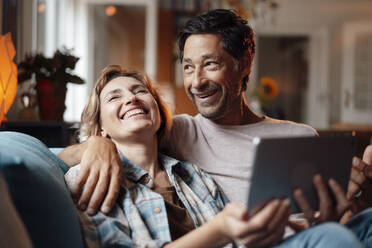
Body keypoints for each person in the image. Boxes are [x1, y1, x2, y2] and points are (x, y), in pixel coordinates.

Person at [59, 9, 372, 246]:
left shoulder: (192, 174)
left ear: (244, 64)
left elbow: (330, 216)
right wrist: (98, 145)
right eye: (188, 67)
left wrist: (355, 200)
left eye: (210, 64)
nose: (196, 82)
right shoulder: (179, 132)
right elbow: (62, 153)